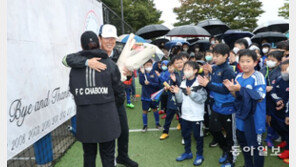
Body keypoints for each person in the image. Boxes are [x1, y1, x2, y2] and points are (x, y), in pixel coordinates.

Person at [62, 24, 138, 167]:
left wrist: (126, 77)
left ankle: (123, 156)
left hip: (100, 108)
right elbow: (66, 59)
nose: (110, 42)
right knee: (106, 152)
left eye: (113, 39)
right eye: (107, 38)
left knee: (122, 131)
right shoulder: (81, 60)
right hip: (107, 108)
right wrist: (86, 62)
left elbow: (73, 89)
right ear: (99, 39)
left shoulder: (116, 54)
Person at [223, 49, 266, 167]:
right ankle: (248, 164)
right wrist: (232, 90)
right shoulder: (238, 76)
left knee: (256, 147)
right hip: (241, 116)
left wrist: (239, 89)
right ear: (239, 63)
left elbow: (260, 96)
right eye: (242, 61)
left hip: (254, 119)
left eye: (248, 61)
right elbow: (237, 97)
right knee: (243, 143)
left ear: (255, 63)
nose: (245, 64)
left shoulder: (258, 76)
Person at [198, 44, 236, 167]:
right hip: (216, 105)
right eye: (213, 55)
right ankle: (225, 149)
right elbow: (213, 84)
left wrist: (207, 83)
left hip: (228, 107)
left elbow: (225, 90)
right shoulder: (215, 68)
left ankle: (230, 159)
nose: (214, 58)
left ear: (226, 56)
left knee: (230, 135)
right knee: (214, 130)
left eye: (217, 56)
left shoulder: (228, 70)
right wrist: (208, 75)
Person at [172, 61, 207, 166]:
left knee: (198, 136)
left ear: (195, 70)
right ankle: (188, 153)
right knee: (185, 135)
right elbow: (179, 100)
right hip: (185, 114)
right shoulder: (183, 82)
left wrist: (191, 93)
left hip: (196, 115)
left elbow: (202, 99)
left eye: (188, 69)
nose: (186, 71)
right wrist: (177, 92)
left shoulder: (199, 83)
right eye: (185, 69)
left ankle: (199, 155)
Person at [260, 51, 283, 148]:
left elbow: (281, 85)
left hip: (274, 99)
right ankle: (270, 135)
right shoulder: (263, 70)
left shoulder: (280, 71)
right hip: (263, 98)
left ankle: (270, 136)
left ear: (278, 62)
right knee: (266, 117)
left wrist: (272, 88)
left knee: (272, 118)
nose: (269, 61)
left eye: (272, 60)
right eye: (268, 59)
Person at [269, 60, 289, 161]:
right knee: (278, 125)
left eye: (287, 69)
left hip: (288, 112)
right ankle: (285, 140)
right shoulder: (279, 79)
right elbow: (273, 90)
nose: (284, 72)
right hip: (278, 110)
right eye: (282, 70)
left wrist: (288, 113)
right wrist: (277, 100)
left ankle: (289, 150)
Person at [139, 59, 162, 132]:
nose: (148, 66)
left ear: (152, 65)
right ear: (144, 66)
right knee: (145, 111)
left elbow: (157, 85)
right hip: (145, 96)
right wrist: (142, 74)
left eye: (150, 65)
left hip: (154, 96)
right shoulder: (142, 73)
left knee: (155, 110)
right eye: (147, 65)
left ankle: (157, 124)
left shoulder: (155, 73)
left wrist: (150, 83)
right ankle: (145, 126)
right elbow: (141, 82)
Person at [159, 62, 180, 140]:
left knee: (181, 116)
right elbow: (167, 86)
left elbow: (180, 86)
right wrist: (166, 88)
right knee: (168, 117)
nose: (170, 69)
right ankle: (165, 132)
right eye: (169, 68)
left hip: (179, 101)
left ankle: (183, 131)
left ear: (174, 67)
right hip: (171, 100)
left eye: (171, 67)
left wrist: (175, 82)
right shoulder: (168, 77)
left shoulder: (178, 75)